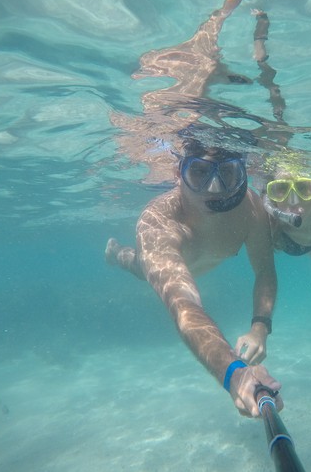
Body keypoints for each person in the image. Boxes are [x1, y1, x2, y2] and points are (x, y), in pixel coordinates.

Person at [106, 140, 281, 417]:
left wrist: (260, 327)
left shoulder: (251, 208)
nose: (214, 188)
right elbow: (184, 306)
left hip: (197, 263)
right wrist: (234, 374)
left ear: (242, 174)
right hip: (164, 264)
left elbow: (265, 269)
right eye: (199, 172)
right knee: (140, 267)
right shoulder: (158, 222)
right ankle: (117, 254)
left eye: (228, 174)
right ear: (178, 173)